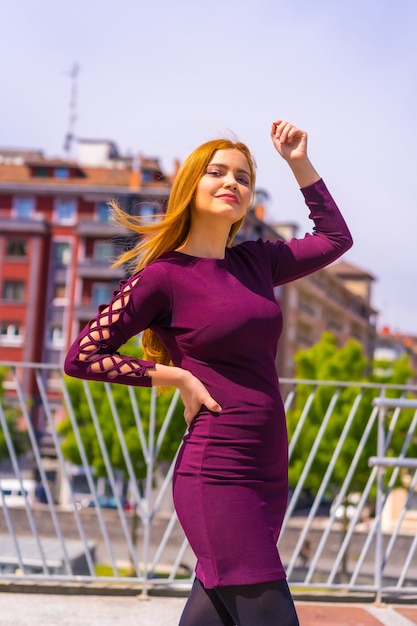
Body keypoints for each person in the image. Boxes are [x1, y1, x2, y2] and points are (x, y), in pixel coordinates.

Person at [64, 119, 353, 625]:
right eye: (218, 172)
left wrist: (298, 163)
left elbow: (334, 237)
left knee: (212, 616)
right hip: (216, 470)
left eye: (243, 178)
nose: (232, 184)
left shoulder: (257, 263)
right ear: (190, 186)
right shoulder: (163, 278)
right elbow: (82, 355)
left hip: (267, 468)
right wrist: (175, 376)